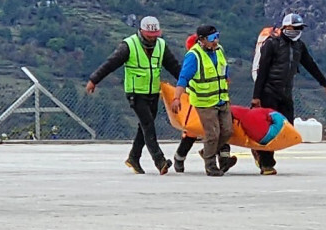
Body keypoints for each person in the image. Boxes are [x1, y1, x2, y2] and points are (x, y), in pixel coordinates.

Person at [86, 16, 181, 175]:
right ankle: (160, 161)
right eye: (149, 35)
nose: (152, 38)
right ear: (141, 32)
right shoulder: (128, 46)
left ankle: (133, 158)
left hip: (152, 92)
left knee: (143, 127)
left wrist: (187, 83)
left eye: (155, 35)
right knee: (148, 125)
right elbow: (110, 64)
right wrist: (94, 80)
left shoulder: (161, 46)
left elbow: (174, 67)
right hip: (135, 93)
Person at [251, 13, 326, 175]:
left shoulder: (299, 46)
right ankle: (267, 163)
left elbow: (310, 65)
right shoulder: (272, 44)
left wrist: (324, 83)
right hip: (268, 92)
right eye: (295, 28)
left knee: (285, 128)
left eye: (300, 29)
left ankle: (261, 154)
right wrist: (256, 96)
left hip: (286, 93)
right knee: (269, 129)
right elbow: (262, 71)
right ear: (285, 27)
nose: (297, 31)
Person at [171, 25, 234, 176]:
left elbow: (224, 68)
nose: (216, 41)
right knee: (212, 134)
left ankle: (207, 152)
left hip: (222, 99)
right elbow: (183, 78)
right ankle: (210, 166)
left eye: (217, 36)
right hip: (205, 103)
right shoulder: (194, 56)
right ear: (202, 40)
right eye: (212, 39)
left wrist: (226, 77)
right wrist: (176, 97)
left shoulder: (219, 50)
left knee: (227, 131)